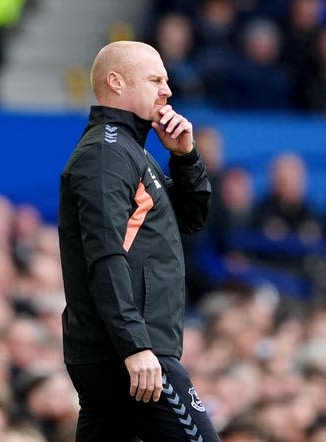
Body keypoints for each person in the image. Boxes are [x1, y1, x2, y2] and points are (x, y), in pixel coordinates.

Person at [58, 40, 218, 441]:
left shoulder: (131, 151)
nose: (167, 90)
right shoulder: (106, 154)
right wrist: (135, 347)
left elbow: (190, 220)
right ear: (116, 81)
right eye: (155, 79)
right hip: (129, 350)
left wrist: (185, 158)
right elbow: (106, 255)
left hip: (114, 349)